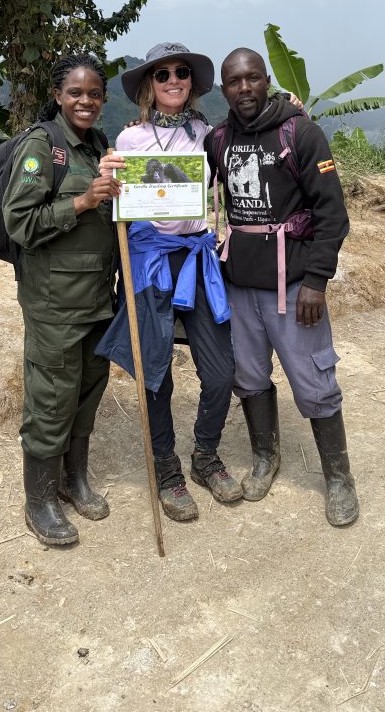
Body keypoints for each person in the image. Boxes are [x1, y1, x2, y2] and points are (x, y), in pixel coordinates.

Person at [207, 47, 359, 527]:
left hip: (293, 285)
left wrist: (317, 280)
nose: (245, 88)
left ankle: (338, 477)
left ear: (267, 79)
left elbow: (332, 213)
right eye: (235, 82)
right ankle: (264, 456)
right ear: (225, 89)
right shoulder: (219, 139)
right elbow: (184, 188)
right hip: (240, 285)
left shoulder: (300, 132)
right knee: (248, 377)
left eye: (253, 78)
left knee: (314, 380)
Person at [97, 43, 243, 523]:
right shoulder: (130, 140)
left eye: (182, 72)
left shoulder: (209, 134)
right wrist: (108, 176)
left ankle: (205, 454)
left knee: (221, 371)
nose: (173, 80)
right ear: (149, 85)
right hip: (149, 262)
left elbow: (252, 138)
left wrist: (289, 109)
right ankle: (167, 468)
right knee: (155, 371)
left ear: (192, 81)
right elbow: (113, 198)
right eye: (163, 74)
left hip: (197, 259)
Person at [2, 53, 121, 547]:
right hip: (53, 302)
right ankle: (41, 500)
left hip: (97, 297)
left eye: (94, 93)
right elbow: (20, 223)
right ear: (57, 96)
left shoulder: (99, 147)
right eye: (76, 92)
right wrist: (83, 201)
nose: (86, 101)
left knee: (87, 392)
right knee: (52, 399)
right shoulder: (41, 148)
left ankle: (74, 481)